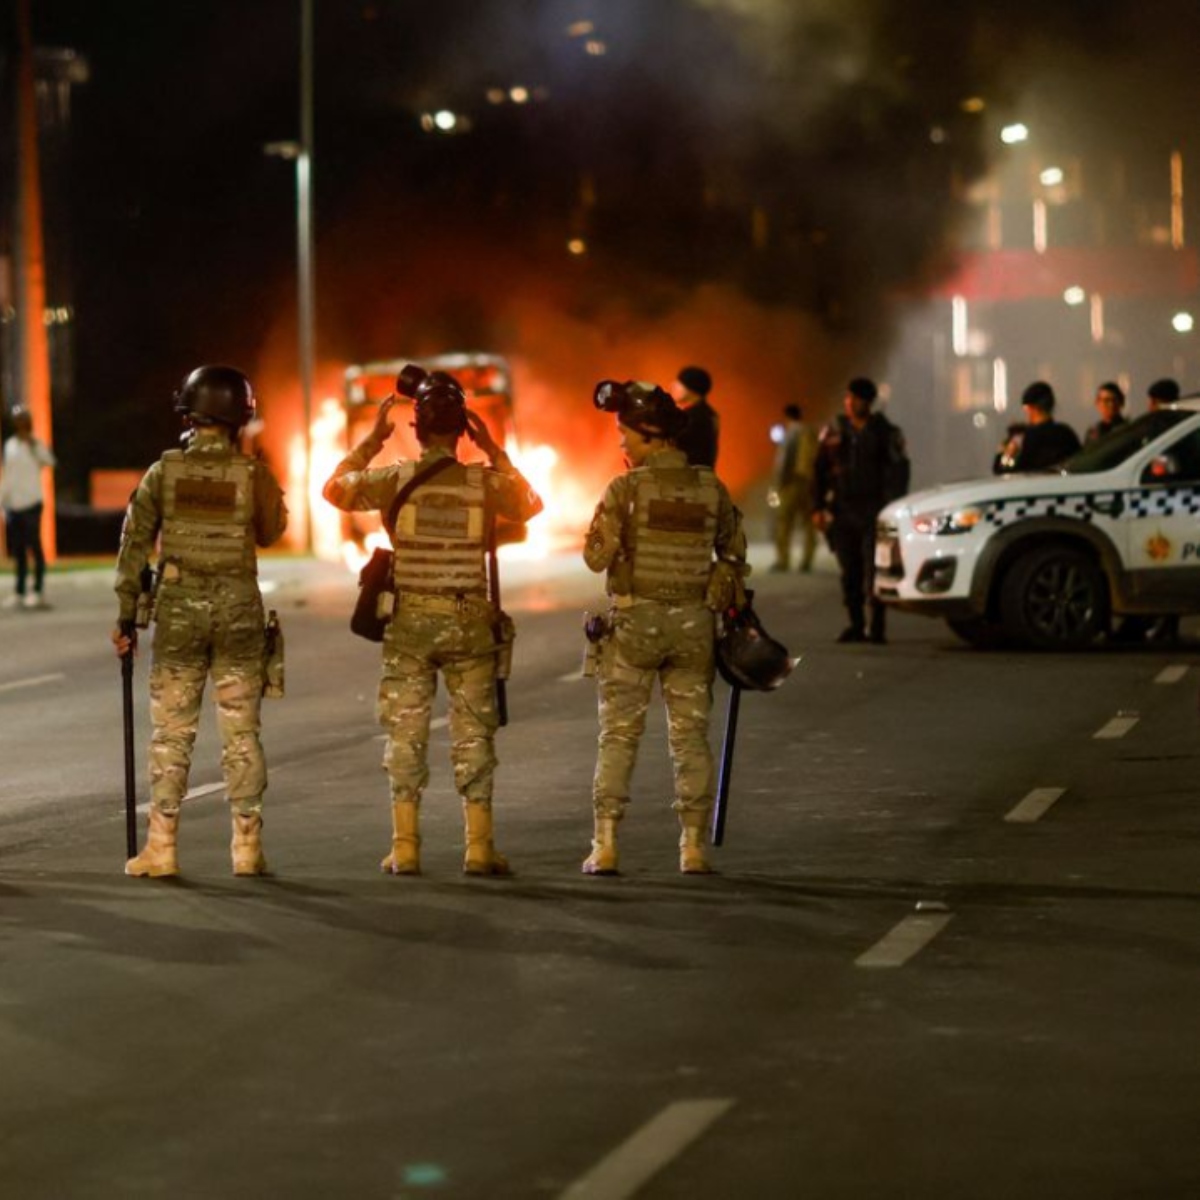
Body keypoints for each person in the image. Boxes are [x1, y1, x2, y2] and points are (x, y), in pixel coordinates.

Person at [323, 367, 543, 877]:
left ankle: (405, 848)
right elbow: (531, 503)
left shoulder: (395, 477)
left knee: (406, 733)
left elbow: (335, 490)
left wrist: (372, 441)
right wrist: (494, 450)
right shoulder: (484, 483)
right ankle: (480, 848)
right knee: (474, 734)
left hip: (411, 624)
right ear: (463, 429)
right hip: (469, 623)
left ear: (415, 429)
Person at [114, 366, 288, 878]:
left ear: (190, 414)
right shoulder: (252, 474)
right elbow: (273, 531)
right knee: (241, 733)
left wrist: (127, 615)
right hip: (238, 612)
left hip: (179, 613)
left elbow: (134, 546)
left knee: (172, 731)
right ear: (240, 419)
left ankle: (162, 849)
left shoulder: (164, 472)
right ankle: (247, 849)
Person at [582, 378, 747, 875]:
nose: (621, 444)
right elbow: (734, 555)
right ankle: (692, 848)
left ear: (651, 436)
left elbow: (595, 557)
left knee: (618, 737)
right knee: (691, 737)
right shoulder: (710, 487)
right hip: (694, 628)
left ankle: (606, 846)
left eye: (626, 435)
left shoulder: (626, 488)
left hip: (635, 627)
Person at [813, 377, 909, 644]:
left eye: (855, 398)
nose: (849, 402)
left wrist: (892, 506)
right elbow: (819, 471)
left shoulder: (886, 433)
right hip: (843, 512)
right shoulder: (834, 432)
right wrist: (818, 507)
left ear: (867, 402)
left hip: (874, 512)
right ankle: (855, 624)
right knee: (849, 571)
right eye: (848, 397)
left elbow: (899, 472)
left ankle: (876, 626)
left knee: (874, 572)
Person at [1, 408, 56, 610]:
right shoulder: (10, 445)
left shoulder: (35, 444)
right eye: (18, 421)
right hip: (13, 505)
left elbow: (50, 461)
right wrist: (2, 501)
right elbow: (8, 475)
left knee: (35, 547)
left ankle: (38, 591)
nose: (21, 425)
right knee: (18, 550)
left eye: (24, 421)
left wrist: (33, 444)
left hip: (32, 502)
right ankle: (19, 591)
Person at [769, 403, 819, 573]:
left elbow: (784, 463)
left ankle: (783, 560)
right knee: (808, 523)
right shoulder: (809, 432)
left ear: (787, 416)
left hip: (790, 484)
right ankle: (807, 560)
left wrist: (778, 486)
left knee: (783, 522)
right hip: (808, 483)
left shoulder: (790, 434)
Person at [992, 381, 1080, 473]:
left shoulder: (1023, 438)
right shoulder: (1066, 434)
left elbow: (1001, 470)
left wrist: (1003, 452)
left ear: (1030, 409)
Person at [673, 365, 720, 468]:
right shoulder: (709, 414)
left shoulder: (694, 418)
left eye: (679, 384)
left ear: (692, 389)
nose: (673, 386)